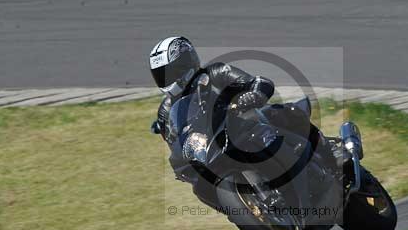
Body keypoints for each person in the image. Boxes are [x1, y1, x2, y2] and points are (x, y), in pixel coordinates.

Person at [148, 36, 351, 174]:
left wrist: (254, 94)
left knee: (286, 112)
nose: (166, 79)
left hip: (244, 123)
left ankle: (330, 153)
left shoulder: (215, 73)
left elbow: (256, 82)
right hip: (212, 148)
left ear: (186, 63)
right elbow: (174, 142)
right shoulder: (166, 110)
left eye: (170, 71)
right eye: (161, 75)